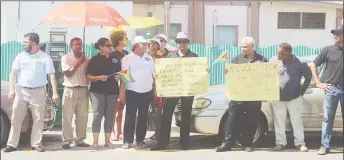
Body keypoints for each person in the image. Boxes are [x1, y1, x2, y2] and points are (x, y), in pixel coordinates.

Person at [2, 32, 60, 153]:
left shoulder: (45, 57)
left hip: (38, 91)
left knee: (38, 119)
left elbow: (51, 75)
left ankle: (36, 144)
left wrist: (55, 92)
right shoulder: (20, 56)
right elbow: (13, 73)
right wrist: (12, 89)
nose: (23, 44)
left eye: (25, 42)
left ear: (33, 43)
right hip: (22, 91)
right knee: (16, 118)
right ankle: (12, 144)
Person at [214, 37, 267, 152]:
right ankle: (227, 143)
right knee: (232, 119)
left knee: (252, 120)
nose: (243, 49)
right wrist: (227, 73)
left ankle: (247, 144)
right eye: (242, 46)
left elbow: (266, 78)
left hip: (254, 97)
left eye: (245, 47)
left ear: (253, 47)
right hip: (237, 96)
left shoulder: (262, 60)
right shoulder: (236, 59)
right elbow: (231, 77)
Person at [150, 32, 199, 151]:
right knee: (166, 115)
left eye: (184, 41)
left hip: (187, 90)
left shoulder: (194, 56)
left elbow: (199, 72)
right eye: (179, 41)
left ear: (188, 42)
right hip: (172, 90)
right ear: (176, 43)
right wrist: (158, 74)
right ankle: (162, 143)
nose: (181, 44)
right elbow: (163, 71)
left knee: (185, 116)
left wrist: (205, 71)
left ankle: (184, 144)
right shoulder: (170, 56)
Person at [270, 42, 312, 152]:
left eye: (281, 53)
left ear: (289, 53)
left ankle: (299, 143)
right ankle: (280, 143)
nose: (278, 55)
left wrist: (302, 92)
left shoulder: (300, 63)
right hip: (278, 97)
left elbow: (308, 76)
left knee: (296, 120)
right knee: (279, 121)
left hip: (294, 97)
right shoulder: (273, 61)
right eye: (278, 53)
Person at [310, 26, 343, 155]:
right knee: (328, 118)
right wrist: (319, 82)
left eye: (338, 34)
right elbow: (313, 64)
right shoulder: (328, 50)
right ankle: (325, 146)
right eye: (334, 34)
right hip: (331, 89)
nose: (335, 36)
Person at [86, 38, 121, 150]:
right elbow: (88, 76)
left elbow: (121, 73)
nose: (110, 47)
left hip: (112, 91)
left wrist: (119, 77)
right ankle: (95, 141)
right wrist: (99, 78)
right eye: (107, 45)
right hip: (97, 91)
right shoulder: (94, 60)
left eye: (111, 45)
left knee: (110, 115)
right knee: (97, 115)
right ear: (101, 47)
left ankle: (107, 140)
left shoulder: (115, 59)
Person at [120, 36, 154, 149]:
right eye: (143, 44)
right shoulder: (127, 59)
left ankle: (140, 139)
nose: (145, 46)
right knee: (130, 116)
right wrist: (122, 93)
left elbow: (153, 74)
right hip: (132, 91)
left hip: (147, 91)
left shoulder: (149, 58)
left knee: (143, 117)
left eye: (146, 44)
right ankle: (127, 140)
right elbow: (124, 77)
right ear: (135, 46)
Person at [60, 37, 90, 149]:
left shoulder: (87, 59)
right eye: (76, 44)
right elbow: (67, 73)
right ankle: (67, 140)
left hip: (83, 89)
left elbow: (89, 74)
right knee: (67, 116)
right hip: (70, 89)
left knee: (82, 117)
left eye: (80, 44)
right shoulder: (66, 58)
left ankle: (80, 139)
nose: (78, 46)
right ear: (71, 46)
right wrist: (78, 63)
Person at [109, 28, 129, 141]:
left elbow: (128, 71)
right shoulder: (111, 54)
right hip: (113, 85)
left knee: (121, 109)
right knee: (113, 110)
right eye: (125, 38)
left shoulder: (127, 54)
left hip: (125, 84)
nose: (127, 39)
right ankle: (111, 131)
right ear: (118, 40)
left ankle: (120, 131)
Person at [147, 37, 164, 141]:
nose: (152, 45)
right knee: (144, 112)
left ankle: (158, 133)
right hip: (145, 88)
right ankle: (140, 136)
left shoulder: (161, 58)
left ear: (158, 46)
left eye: (155, 43)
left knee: (158, 111)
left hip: (158, 89)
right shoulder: (145, 57)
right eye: (151, 43)